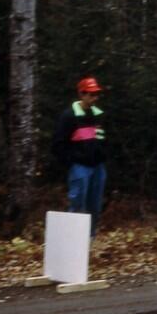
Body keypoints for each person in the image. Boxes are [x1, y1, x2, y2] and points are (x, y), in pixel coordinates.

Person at [51, 76, 108, 235]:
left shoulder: (99, 115)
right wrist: (72, 162)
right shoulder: (68, 116)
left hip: (98, 167)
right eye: (90, 94)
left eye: (96, 94)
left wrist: (102, 155)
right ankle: (72, 240)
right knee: (77, 204)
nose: (94, 98)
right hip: (80, 167)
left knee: (95, 207)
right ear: (81, 95)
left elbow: (103, 139)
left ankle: (89, 240)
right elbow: (58, 144)